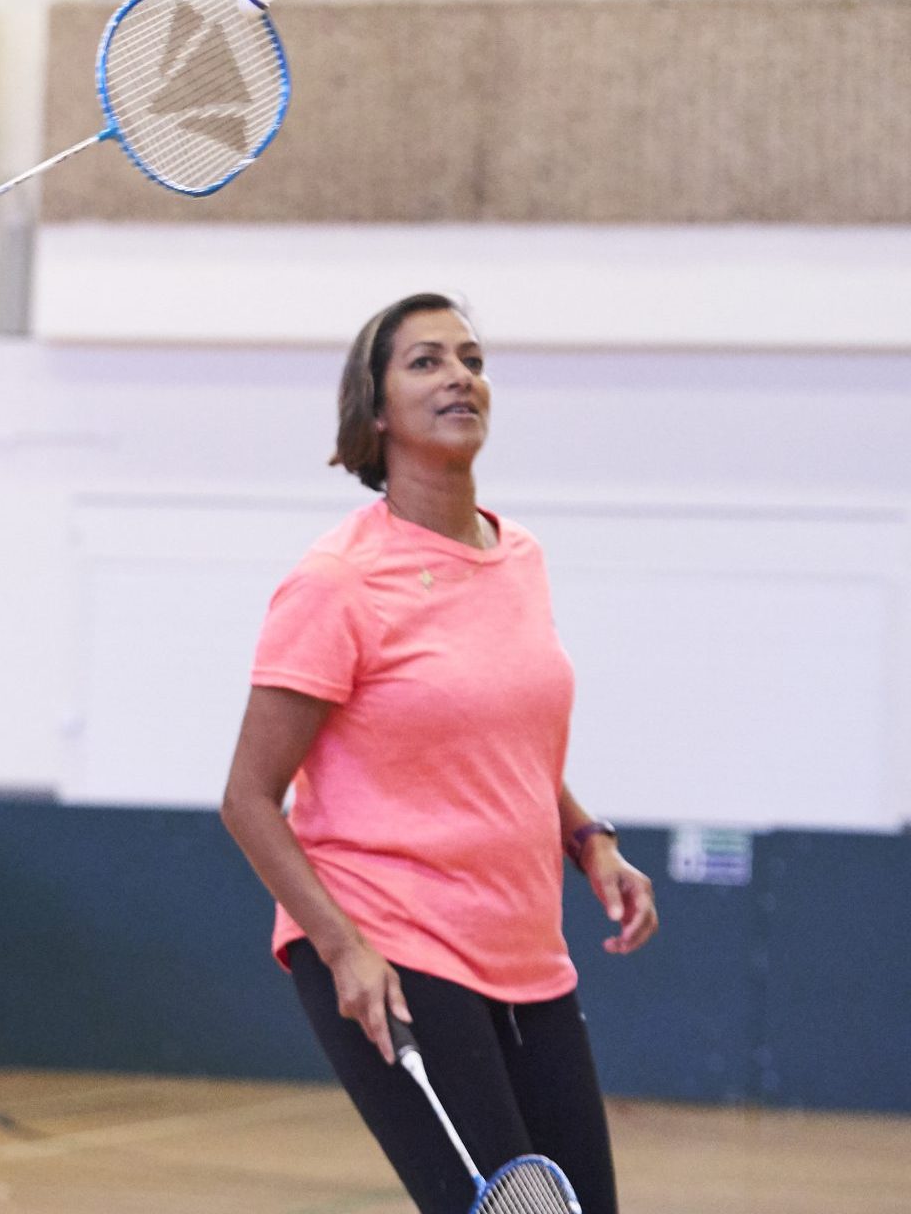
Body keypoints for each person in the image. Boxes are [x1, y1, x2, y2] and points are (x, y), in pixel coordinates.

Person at [219, 293, 660, 1214]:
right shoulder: (337, 584)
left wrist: (588, 839)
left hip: (528, 947)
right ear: (374, 412)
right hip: (395, 946)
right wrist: (343, 951)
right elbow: (249, 798)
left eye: (471, 357)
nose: (460, 374)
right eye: (425, 361)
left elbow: (508, 742)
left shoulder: (519, 554)